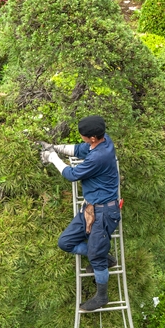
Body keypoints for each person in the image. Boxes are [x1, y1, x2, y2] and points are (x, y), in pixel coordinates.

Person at [39, 115, 121, 312]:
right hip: (90, 209)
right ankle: (105, 258)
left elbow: (71, 175)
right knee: (65, 242)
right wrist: (55, 147)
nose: (82, 138)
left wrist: (52, 158)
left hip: (105, 212)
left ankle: (102, 296)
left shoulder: (99, 157)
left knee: (95, 256)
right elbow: (79, 149)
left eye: (84, 136)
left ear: (93, 137)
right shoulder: (102, 141)